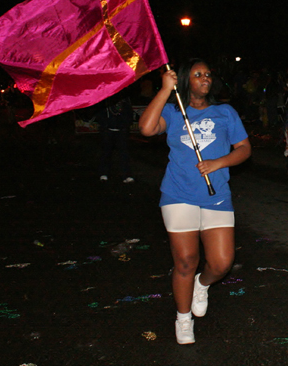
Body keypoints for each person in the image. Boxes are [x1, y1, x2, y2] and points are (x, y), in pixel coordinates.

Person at [138, 59, 251, 345]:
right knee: (187, 260)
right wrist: (165, 89)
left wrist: (219, 162)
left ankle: (202, 285)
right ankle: (183, 317)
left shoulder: (225, 112)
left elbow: (244, 149)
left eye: (208, 74)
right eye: (198, 74)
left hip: (217, 196)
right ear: (187, 80)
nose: (205, 78)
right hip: (178, 195)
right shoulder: (173, 111)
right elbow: (147, 129)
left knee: (222, 263)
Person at [94, 91, 134, 183]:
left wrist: (125, 125)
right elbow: (100, 113)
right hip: (108, 131)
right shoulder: (105, 99)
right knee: (106, 152)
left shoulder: (125, 100)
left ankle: (126, 175)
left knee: (124, 154)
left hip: (121, 131)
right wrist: (105, 125)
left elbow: (129, 113)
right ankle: (103, 173)